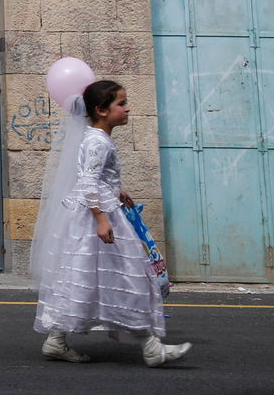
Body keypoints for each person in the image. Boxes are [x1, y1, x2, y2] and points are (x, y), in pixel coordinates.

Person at [31, 79, 193, 368]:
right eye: (121, 103)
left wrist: (116, 189)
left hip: (96, 212)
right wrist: (101, 220)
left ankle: (57, 340)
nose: (128, 109)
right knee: (131, 276)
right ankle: (151, 347)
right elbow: (87, 181)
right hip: (97, 218)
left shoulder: (97, 137)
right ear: (101, 110)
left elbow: (96, 177)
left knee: (82, 277)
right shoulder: (97, 141)